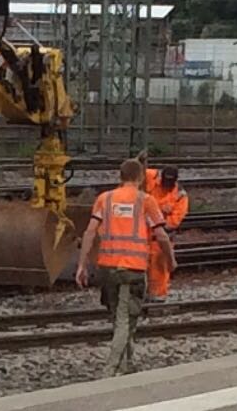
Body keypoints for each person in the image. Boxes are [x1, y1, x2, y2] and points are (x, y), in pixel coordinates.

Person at [76, 158, 177, 378]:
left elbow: (90, 232)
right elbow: (161, 235)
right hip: (134, 269)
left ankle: (128, 363)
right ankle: (111, 369)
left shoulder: (105, 199)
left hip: (108, 268)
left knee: (119, 317)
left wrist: (82, 265)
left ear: (119, 176)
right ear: (140, 178)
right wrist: (170, 260)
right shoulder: (146, 201)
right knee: (126, 319)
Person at [144, 165, 188, 300]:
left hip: (160, 239)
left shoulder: (180, 195)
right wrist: (161, 210)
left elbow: (174, 221)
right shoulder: (151, 178)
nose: (166, 185)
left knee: (160, 269)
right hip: (143, 236)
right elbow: (135, 171)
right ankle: (143, 296)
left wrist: (154, 215)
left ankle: (158, 297)